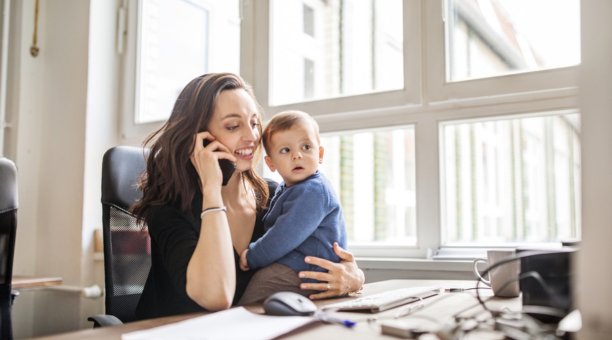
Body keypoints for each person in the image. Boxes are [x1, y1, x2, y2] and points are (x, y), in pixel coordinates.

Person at [130, 73, 364, 320]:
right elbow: (217, 297)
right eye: (233, 126)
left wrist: (352, 277)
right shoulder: (169, 208)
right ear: (198, 139)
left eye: (254, 123)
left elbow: (326, 254)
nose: (253, 137)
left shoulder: (274, 196)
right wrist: (211, 189)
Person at [237, 110, 347, 305]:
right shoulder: (287, 188)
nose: (297, 155)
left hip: (307, 270)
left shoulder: (314, 191)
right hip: (299, 266)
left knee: (249, 303)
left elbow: (283, 235)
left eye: (306, 147)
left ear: (320, 154)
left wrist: (252, 256)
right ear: (271, 163)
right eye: (285, 150)